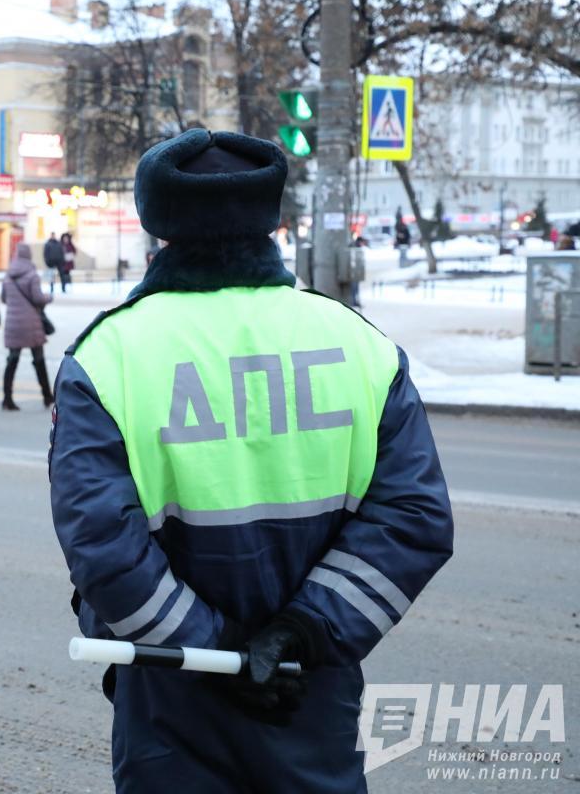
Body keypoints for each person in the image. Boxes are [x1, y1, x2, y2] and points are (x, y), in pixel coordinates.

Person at [49, 129, 454, 793]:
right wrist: (299, 634)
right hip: (306, 686)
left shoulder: (108, 355)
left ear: (159, 225)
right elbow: (414, 517)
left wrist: (219, 654)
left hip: (170, 685)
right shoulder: (356, 343)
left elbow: (103, 546)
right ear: (271, 218)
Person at [0, 242, 53, 411]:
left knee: (12, 360)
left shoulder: (8, 275)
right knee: (38, 359)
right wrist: (48, 297)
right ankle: (47, 396)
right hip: (31, 324)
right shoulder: (32, 275)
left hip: (13, 324)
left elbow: (4, 299)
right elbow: (37, 299)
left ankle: (7, 398)